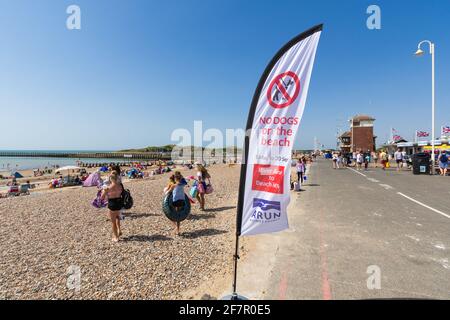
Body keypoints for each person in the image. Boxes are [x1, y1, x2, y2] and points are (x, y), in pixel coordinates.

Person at [101, 172, 123, 242]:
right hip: (119, 203)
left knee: (113, 222)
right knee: (117, 218)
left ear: (110, 179)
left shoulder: (108, 187)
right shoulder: (120, 186)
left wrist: (103, 191)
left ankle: (116, 237)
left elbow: (102, 197)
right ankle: (119, 230)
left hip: (112, 203)